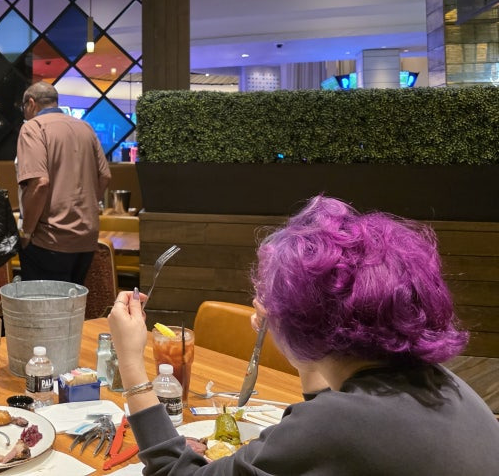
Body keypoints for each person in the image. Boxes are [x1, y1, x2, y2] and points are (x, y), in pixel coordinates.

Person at [108, 195, 499, 475]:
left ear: (304, 320)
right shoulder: (440, 383)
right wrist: (303, 344)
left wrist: (131, 364)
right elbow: (325, 417)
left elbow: (175, 471)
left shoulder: (337, 424)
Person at [16, 82, 110, 285]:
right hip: (86, 238)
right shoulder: (85, 127)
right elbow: (104, 176)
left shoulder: (33, 127)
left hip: (49, 239)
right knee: (74, 302)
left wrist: (27, 232)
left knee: (44, 304)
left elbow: (40, 183)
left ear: (31, 103)